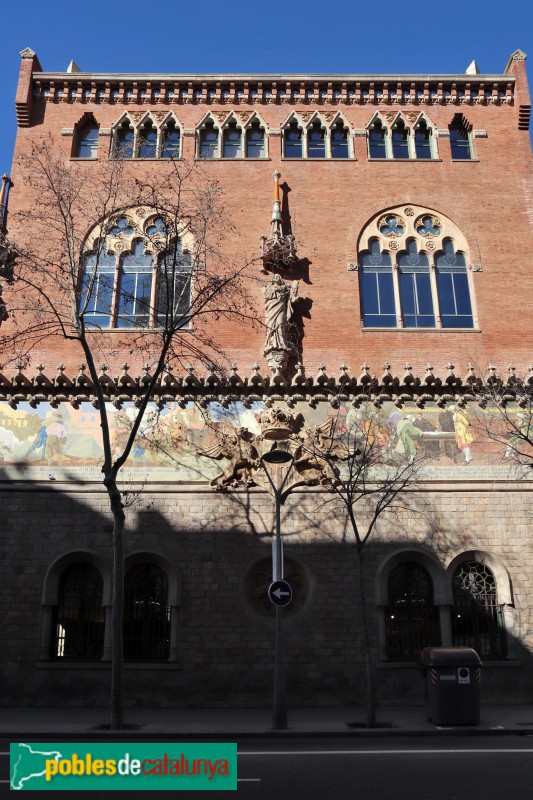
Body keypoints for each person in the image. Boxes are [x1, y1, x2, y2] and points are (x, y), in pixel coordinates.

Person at [262, 274, 298, 357]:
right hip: (271, 309)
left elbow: (291, 294)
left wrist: (294, 286)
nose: (275, 278)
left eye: (277, 277)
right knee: (270, 325)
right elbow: (266, 294)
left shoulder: (284, 288)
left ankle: (282, 344)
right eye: (274, 277)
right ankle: (270, 343)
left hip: (281, 309)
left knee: (281, 325)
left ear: (281, 279)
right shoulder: (269, 288)